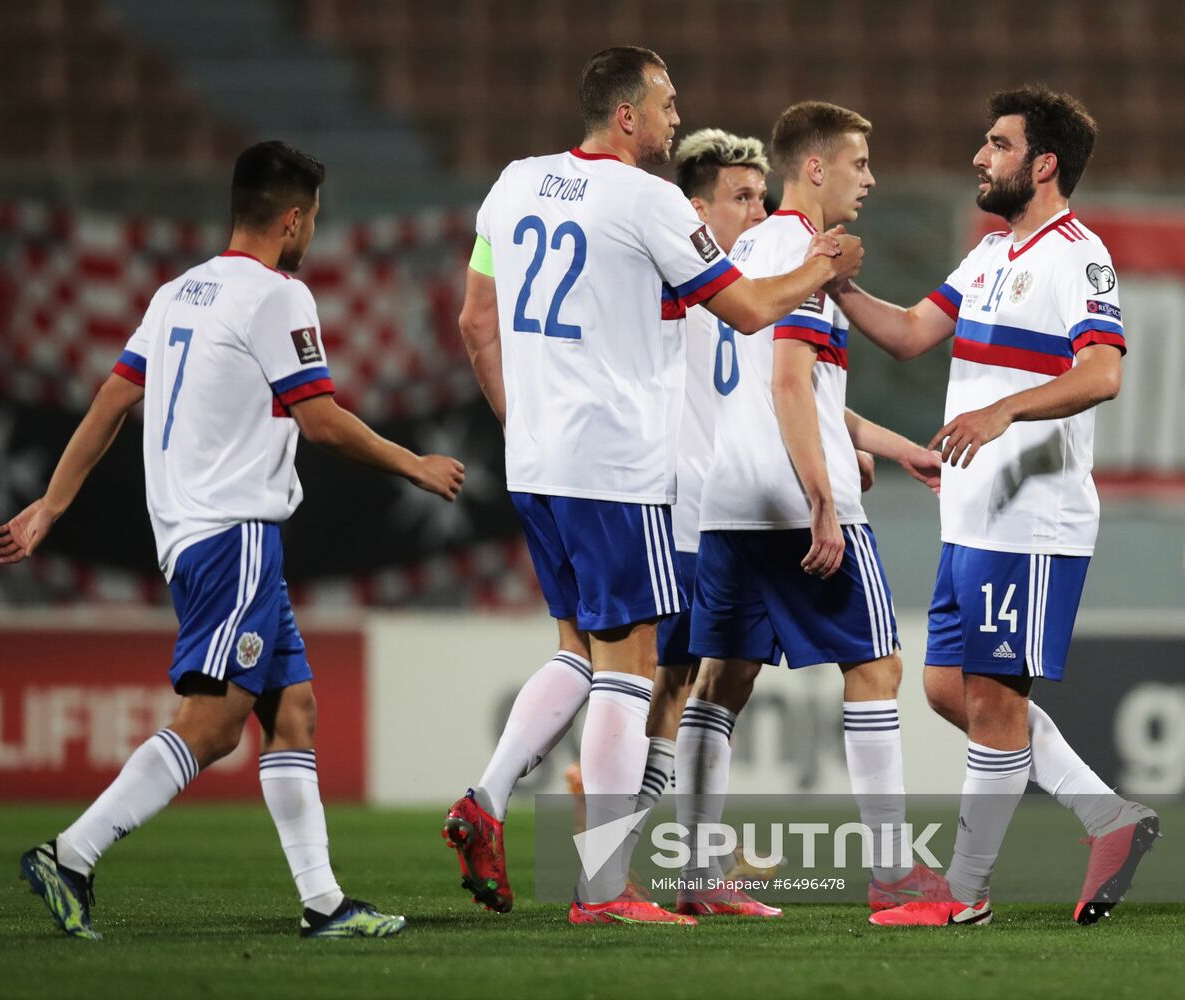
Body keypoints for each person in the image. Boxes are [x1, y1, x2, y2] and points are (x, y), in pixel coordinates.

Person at [0, 141, 465, 941]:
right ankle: (71, 854)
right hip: (232, 532)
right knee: (211, 724)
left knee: (294, 713)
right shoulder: (278, 296)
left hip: (187, 532)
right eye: (312, 217)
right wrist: (411, 463)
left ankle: (324, 904)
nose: (313, 230)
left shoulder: (180, 292)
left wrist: (50, 504)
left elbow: (111, 402)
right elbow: (320, 421)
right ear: (291, 218)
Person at [448, 47, 863, 926]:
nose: (678, 117)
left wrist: (522, 424)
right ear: (628, 114)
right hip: (618, 467)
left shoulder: (513, 183)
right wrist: (821, 266)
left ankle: (484, 799)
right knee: (634, 671)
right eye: (667, 103)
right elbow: (750, 309)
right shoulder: (650, 202)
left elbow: (475, 320)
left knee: (579, 652)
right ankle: (602, 890)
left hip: (539, 464)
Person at [820, 87, 1159, 928]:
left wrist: (1004, 409)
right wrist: (834, 286)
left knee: (996, 698)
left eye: (997, 144)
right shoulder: (988, 254)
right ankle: (1109, 818)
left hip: (1032, 515)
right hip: (971, 516)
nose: (980, 155)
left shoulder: (1077, 256)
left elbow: (1103, 372)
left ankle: (964, 893)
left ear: (1042, 165)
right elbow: (905, 333)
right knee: (948, 688)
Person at [679, 101, 947, 918]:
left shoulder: (747, 248)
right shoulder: (805, 252)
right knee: (876, 669)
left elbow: (808, 387)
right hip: (796, 498)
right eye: (859, 163)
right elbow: (789, 382)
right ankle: (895, 872)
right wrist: (824, 501)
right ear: (818, 167)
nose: (870, 178)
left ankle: (695, 872)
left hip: (728, 499)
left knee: (720, 681)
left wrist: (896, 446)